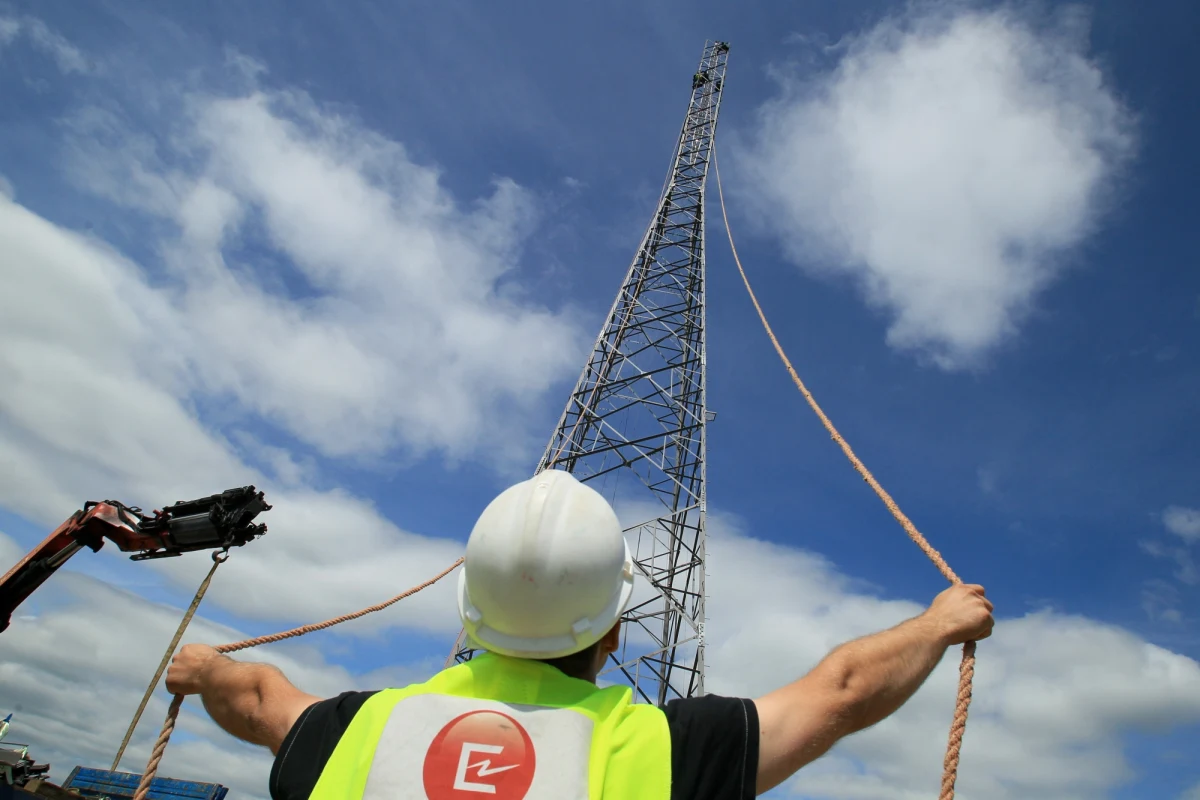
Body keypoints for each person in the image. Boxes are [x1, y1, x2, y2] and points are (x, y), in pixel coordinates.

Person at [167, 469, 993, 800]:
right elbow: (840, 695)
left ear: (467, 610)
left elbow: (259, 701)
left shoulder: (351, 732)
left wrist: (203, 668)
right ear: (612, 630)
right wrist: (937, 623)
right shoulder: (662, 750)